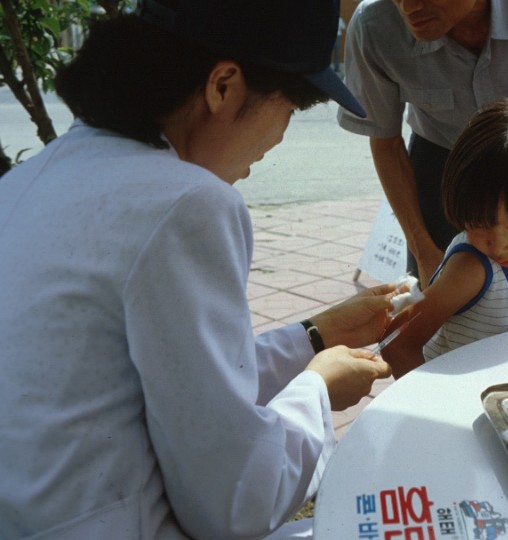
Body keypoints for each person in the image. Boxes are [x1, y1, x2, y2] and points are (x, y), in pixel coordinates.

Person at [0, 1, 395, 539]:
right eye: (292, 107)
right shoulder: (187, 204)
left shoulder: (31, 179)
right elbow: (235, 504)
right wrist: (318, 390)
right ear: (224, 87)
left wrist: (313, 336)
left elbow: (178, 383)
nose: (279, 138)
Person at [337, 0, 508, 283]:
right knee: (442, 301)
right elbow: (386, 144)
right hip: (439, 167)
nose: (408, 7)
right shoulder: (373, 26)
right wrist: (423, 250)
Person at [380, 99, 508, 379]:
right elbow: (398, 343)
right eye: (480, 224)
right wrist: (434, 410)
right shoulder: (471, 269)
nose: (497, 244)